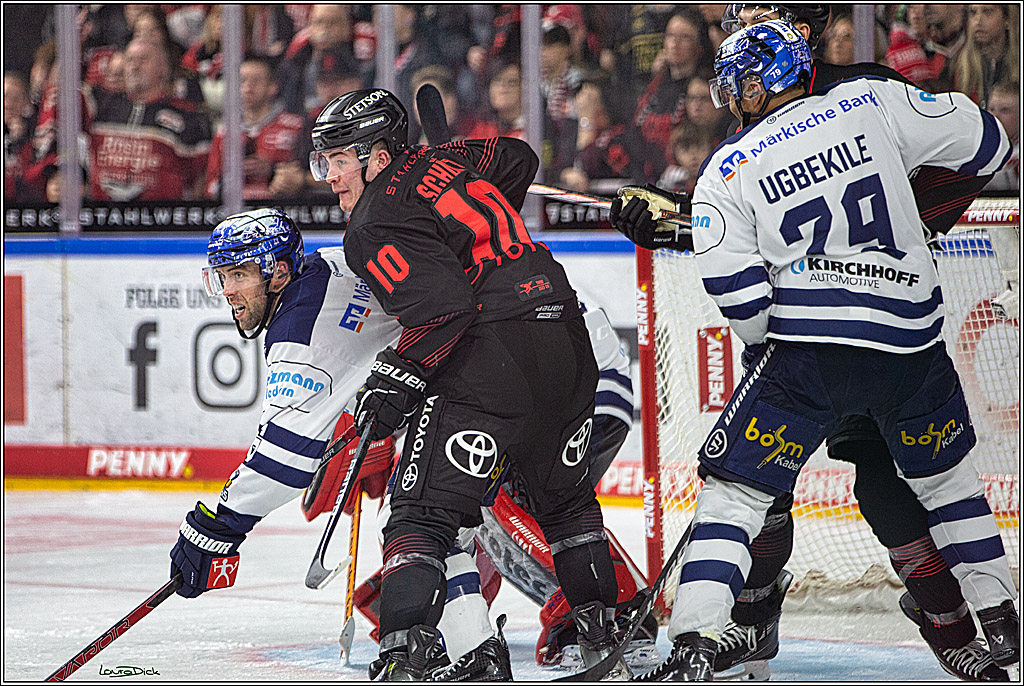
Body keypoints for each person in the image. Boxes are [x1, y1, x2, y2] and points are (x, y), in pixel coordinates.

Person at [614, 5, 1012, 680]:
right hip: (907, 329)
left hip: (812, 348)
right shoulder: (869, 97)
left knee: (779, 491)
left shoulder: (746, 151)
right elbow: (987, 144)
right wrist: (691, 224)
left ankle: (701, 640)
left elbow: (747, 291)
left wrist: (706, 231)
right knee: (944, 479)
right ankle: (994, 620)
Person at [308, 88, 624, 680]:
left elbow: (443, 312)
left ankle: (404, 651)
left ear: (377, 156)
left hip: (497, 350)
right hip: (566, 337)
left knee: (421, 515)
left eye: (337, 159)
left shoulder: (372, 222)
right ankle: (603, 633)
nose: (328, 176)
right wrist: (446, 165)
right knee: (566, 502)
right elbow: (519, 158)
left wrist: (391, 381)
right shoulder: (448, 165)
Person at [88, 38, 211, 202]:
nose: (135, 66)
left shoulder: (186, 116)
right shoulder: (100, 107)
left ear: (163, 68)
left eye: (143, 60)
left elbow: (200, 176)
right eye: (130, 60)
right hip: (105, 220)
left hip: (161, 221)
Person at [205, 55, 305, 201]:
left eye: (256, 81)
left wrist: (272, 170)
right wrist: (233, 174)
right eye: (242, 81)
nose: (248, 87)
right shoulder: (224, 132)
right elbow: (210, 189)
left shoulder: (295, 126)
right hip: (237, 215)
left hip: (282, 212)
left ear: (273, 87)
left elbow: (307, 179)